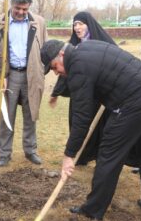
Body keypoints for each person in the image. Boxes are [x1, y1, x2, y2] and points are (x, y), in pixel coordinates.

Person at [41, 39, 141, 221]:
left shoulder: (77, 66)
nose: (56, 72)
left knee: (109, 153)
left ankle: (93, 210)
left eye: (54, 67)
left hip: (137, 101)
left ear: (62, 54)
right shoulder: (85, 48)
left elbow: (81, 117)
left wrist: (69, 155)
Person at [49, 11, 116, 165]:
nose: (77, 28)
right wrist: (56, 93)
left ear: (89, 24)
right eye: (75, 24)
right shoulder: (71, 46)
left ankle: (98, 155)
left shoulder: (102, 42)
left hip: (99, 94)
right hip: (80, 92)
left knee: (98, 126)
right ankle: (81, 156)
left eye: (80, 24)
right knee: (77, 122)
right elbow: (62, 71)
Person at [0, 0, 48, 167]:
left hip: (31, 76)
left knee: (31, 115)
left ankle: (30, 150)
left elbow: (46, 49)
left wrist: (41, 71)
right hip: (9, 77)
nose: (21, 12)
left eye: (25, 9)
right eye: (18, 8)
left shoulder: (39, 22)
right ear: (11, 5)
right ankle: (4, 154)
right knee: (6, 117)